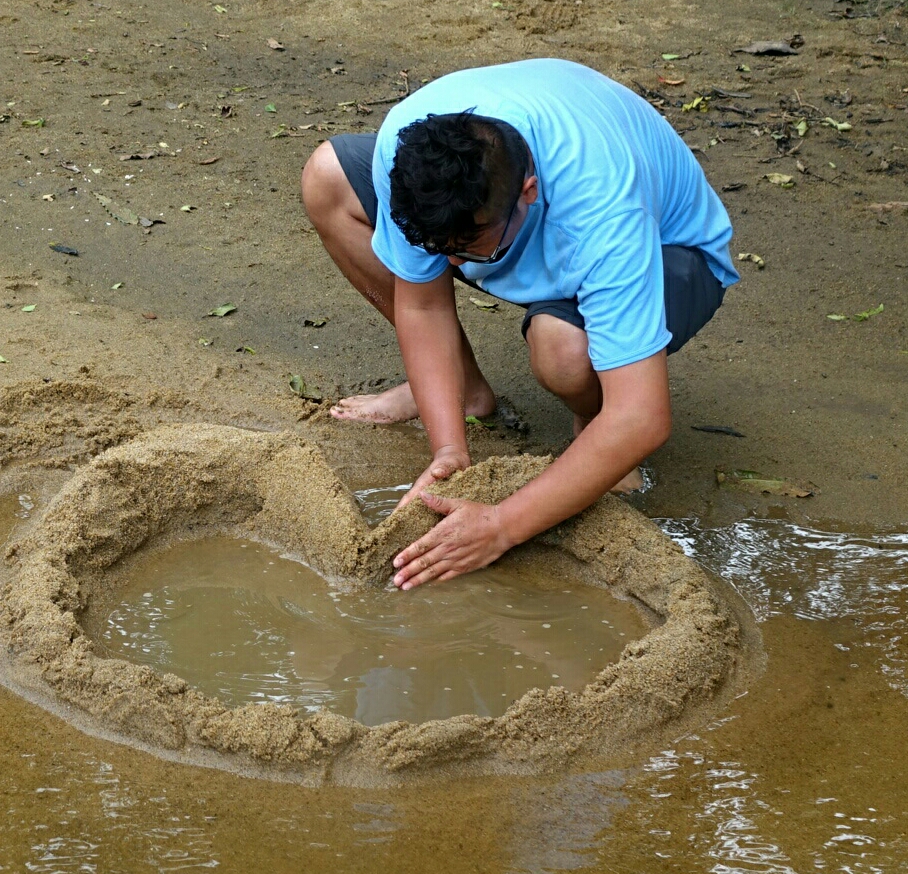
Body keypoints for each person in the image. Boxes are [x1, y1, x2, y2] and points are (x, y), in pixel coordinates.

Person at [299, 57, 737, 590]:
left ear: (528, 191)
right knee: (328, 178)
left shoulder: (604, 209)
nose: (452, 267)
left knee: (565, 353)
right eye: (438, 250)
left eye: (466, 248)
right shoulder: (409, 149)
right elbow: (424, 303)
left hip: (672, 252)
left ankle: (592, 429)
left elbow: (644, 417)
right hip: (525, 228)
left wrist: (500, 526)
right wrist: (448, 451)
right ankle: (466, 392)